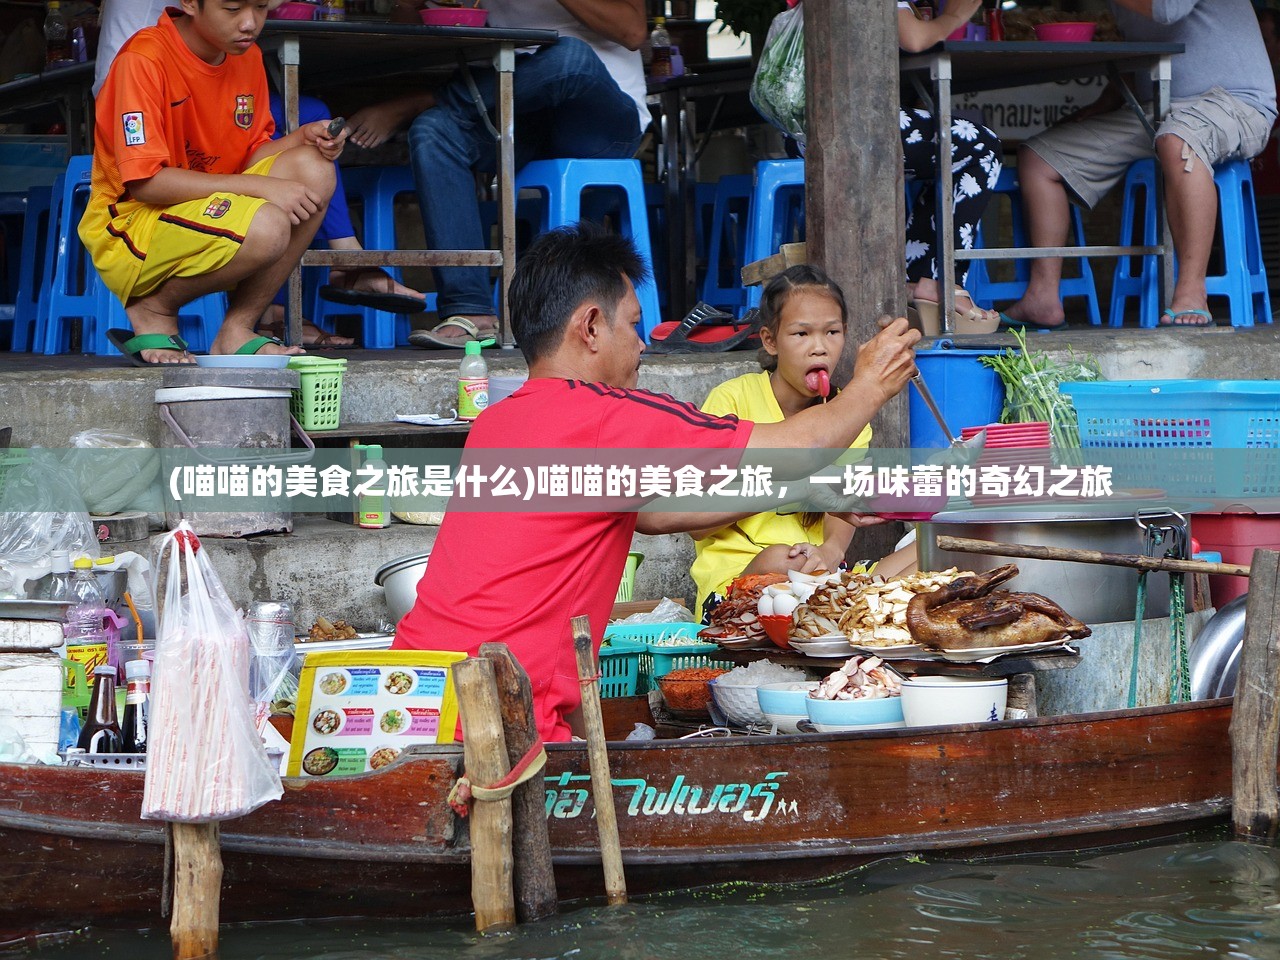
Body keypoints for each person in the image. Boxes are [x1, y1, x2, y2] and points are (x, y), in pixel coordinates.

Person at [391, 224, 921, 741]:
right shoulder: (605, 415)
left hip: (410, 700)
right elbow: (797, 448)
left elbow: (657, 512)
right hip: (492, 727)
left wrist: (812, 492)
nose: (643, 345)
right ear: (592, 326)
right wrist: (870, 384)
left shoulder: (499, 421)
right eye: (634, 325)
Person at [91, 0, 425, 349]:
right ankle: (155, 309)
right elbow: (146, 184)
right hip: (133, 225)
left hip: (201, 208)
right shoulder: (143, 60)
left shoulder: (244, 57)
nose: (250, 23)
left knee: (314, 168)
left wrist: (301, 138)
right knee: (268, 224)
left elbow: (248, 156)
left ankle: (238, 330)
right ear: (189, 3)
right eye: (232, 9)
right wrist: (261, 188)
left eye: (261, 7)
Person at [1001, 0, 1277, 329]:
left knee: (1178, 141)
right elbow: (1142, 56)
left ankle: (1191, 291)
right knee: (1039, 159)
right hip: (1157, 106)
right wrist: (1103, 105)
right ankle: (1042, 296)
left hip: (1236, 102)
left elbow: (1167, 10)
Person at [390, 0, 650, 348]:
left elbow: (633, 31)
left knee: (571, 57)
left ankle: (426, 99)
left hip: (600, 114)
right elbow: (406, 26)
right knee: (433, 131)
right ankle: (471, 312)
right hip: (522, 108)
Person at [690, 265, 904, 616]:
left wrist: (832, 552)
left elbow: (842, 508)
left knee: (930, 551)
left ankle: (844, 609)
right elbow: (697, 524)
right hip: (743, 579)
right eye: (801, 334)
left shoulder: (846, 414)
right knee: (780, 557)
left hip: (821, 574)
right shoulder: (731, 402)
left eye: (832, 332)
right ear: (770, 341)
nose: (819, 348)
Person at [897, 0, 1005, 329]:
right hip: (853, 127)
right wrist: (955, 16)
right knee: (981, 145)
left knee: (947, 154)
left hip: (798, 131)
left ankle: (917, 281)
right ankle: (946, 282)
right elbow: (913, 38)